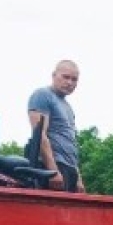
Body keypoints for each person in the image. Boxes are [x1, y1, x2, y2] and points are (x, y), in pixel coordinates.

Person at [26, 60, 84, 193]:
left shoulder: (68, 107)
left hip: (69, 169)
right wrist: (53, 171)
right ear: (54, 75)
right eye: (66, 77)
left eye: (74, 79)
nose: (70, 82)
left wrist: (78, 178)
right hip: (52, 167)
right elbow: (39, 135)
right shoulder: (42, 95)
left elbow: (70, 143)